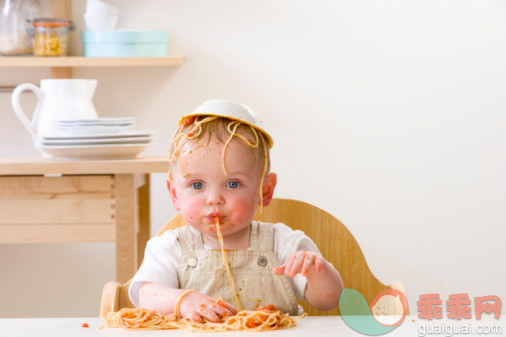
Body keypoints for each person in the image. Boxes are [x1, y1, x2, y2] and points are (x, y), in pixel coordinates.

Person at [129, 99, 344, 323]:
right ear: (175, 194)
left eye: (232, 184)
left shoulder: (283, 244)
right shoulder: (171, 247)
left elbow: (329, 300)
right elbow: (146, 294)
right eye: (197, 185)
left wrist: (317, 271)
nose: (214, 199)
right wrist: (183, 301)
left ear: (264, 191)